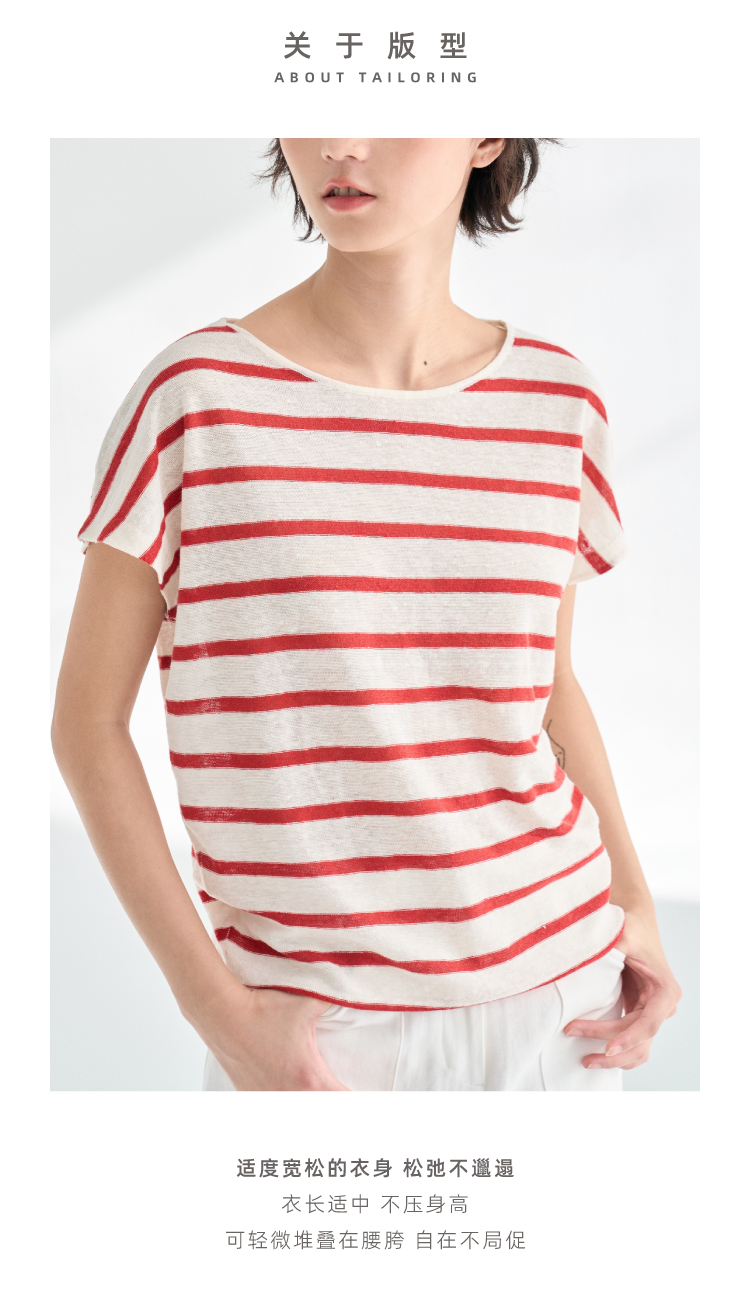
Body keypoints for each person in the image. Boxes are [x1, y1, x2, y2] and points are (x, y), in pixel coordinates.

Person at [52, 137, 681, 1092]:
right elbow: (86, 727)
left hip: (565, 1000)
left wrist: (635, 904)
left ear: (486, 136)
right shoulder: (196, 399)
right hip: (321, 1027)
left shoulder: (557, 401)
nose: (342, 142)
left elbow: (549, 687)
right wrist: (217, 1012)